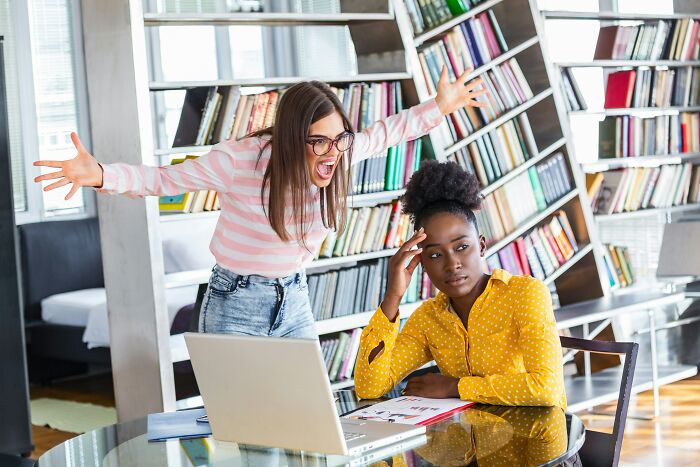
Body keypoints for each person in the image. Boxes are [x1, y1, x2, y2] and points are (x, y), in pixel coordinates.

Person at [33, 67, 486, 340]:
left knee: (305, 421)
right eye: (318, 143)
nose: (332, 153)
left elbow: (387, 132)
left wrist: (439, 106)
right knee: (245, 434)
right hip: (234, 303)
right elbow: (162, 179)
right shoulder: (240, 161)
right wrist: (101, 175)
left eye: (340, 140)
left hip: (293, 297)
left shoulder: (341, 152)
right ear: (291, 138)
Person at [354, 160, 566, 408]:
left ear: (482, 245)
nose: (452, 263)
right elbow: (369, 387)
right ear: (421, 262)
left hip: (535, 438)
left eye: (462, 247)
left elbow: (547, 388)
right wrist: (393, 296)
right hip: (465, 440)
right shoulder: (428, 319)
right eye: (435, 255)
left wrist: (455, 387)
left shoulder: (525, 294)